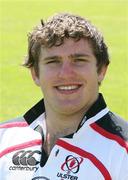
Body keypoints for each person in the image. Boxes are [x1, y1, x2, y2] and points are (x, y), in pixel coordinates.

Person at [0, 12, 128, 180]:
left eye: (79, 60)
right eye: (53, 62)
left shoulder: (122, 152)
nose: (66, 74)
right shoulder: (4, 138)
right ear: (35, 74)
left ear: (101, 70)